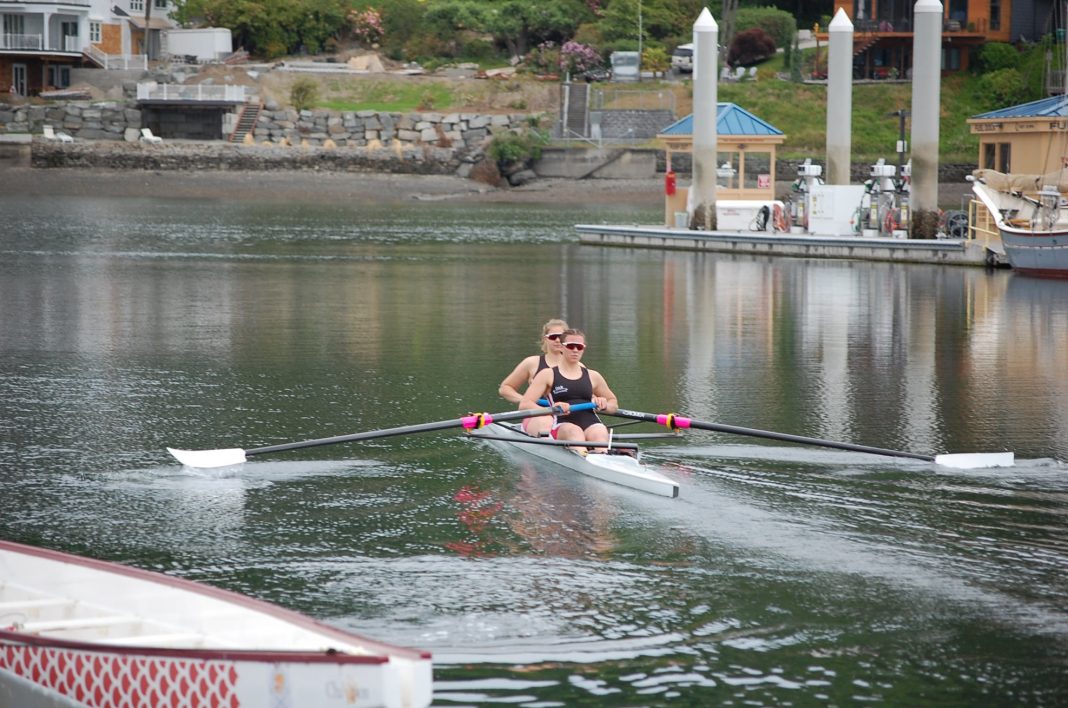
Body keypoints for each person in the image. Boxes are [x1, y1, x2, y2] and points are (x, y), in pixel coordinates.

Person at [519, 329, 618, 451]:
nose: (575, 350)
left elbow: (613, 404)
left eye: (579, 347)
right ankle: (584, 457)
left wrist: (604, 404)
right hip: (562, 424)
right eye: (571, 346)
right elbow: (525, 404)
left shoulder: (593, 376)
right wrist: (552, 409)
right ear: (561, 347)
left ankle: (601, 457)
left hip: (591, 422)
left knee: (600, 432)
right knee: (574, 432)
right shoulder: (547, 374)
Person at [499, 319, 569, 436]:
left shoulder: (577, 366)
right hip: (537, 415)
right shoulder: (532, 363)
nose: (557, 340)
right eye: (553, 337)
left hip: (566, 415)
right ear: (545, 339)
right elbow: (505, 388)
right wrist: (524, 400)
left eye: (561, 337)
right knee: (546, 420)